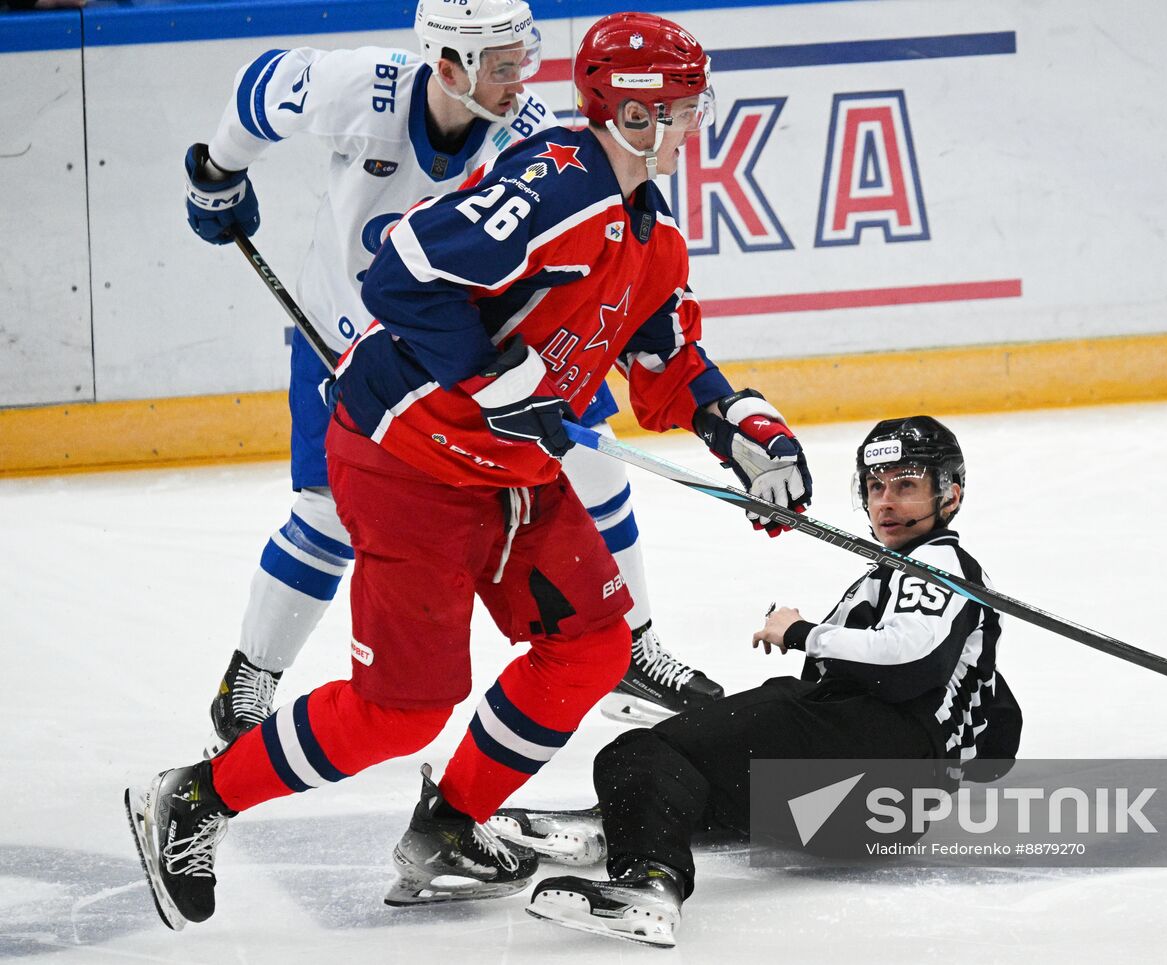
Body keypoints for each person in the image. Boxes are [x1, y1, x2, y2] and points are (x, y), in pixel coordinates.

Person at [125, 11, 812, 931]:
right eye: (683, 108)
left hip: (511, 468)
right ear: (638, 116)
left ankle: (446, 827)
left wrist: (749, 434)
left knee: (595, 644)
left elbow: (668, 363)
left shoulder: (650, 227)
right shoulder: (556, 184)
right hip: (404, 457)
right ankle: (197, 796)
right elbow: (400, 273)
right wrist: (499, 375)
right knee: (402, 710)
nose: (697, 123)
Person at [184, 0, 722, 758]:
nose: (520, 79)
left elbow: (618, 215)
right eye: (501, 65)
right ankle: (253, 674)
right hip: (351, 333)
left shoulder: (530, 128)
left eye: (522, 57)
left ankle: (631, 642)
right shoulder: (356, 88)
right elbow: (258, 88)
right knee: (329, 511)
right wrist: (219, 170)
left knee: (589, 451)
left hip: (482, 341)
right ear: (447, 65)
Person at [512, 416, 1022, 948]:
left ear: (951, 494)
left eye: (906, 486)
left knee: (637, 752)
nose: (886, 502)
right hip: (873, 812)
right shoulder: (915, 582)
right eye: (875, 486)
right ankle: (621, 821)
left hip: (871, 764)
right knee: (698, 768)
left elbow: (902, 664)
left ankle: (648, 883)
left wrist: (804, 632)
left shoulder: (938, 563)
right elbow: (999, 738)